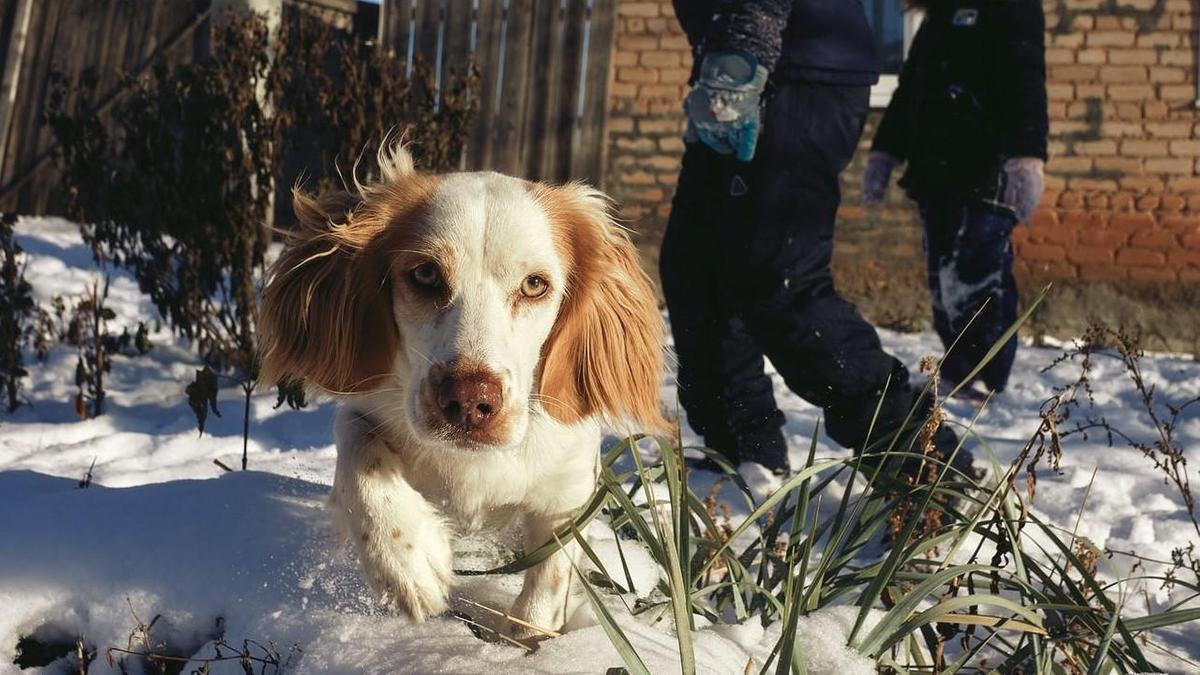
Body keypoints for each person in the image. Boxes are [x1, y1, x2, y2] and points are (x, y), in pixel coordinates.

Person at [662, 0, 962, 479]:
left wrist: (741, 55)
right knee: (697, 268)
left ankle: (929, 470)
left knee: (780, 282)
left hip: (788, 69)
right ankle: (743, 458)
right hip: (748, 62)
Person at [863, 0, 1048, 398]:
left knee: (977, 278)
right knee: (944, 282)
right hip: (937, 170)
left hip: (987, 166)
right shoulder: (941, 14)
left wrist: (1027, 157)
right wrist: (885, 151)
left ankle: (984, 376)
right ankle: (962, 370)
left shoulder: (1011, 9)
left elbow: (1025, 79)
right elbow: (912, 86)